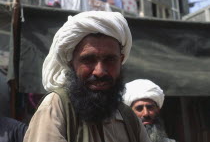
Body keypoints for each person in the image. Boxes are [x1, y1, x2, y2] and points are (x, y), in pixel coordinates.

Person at [23, 11, 151, 142]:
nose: (99, 71)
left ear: (121, 60)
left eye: (110, 59)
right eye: (88, 59)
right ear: (71, 63)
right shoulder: (57, 106)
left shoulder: (128, 117)